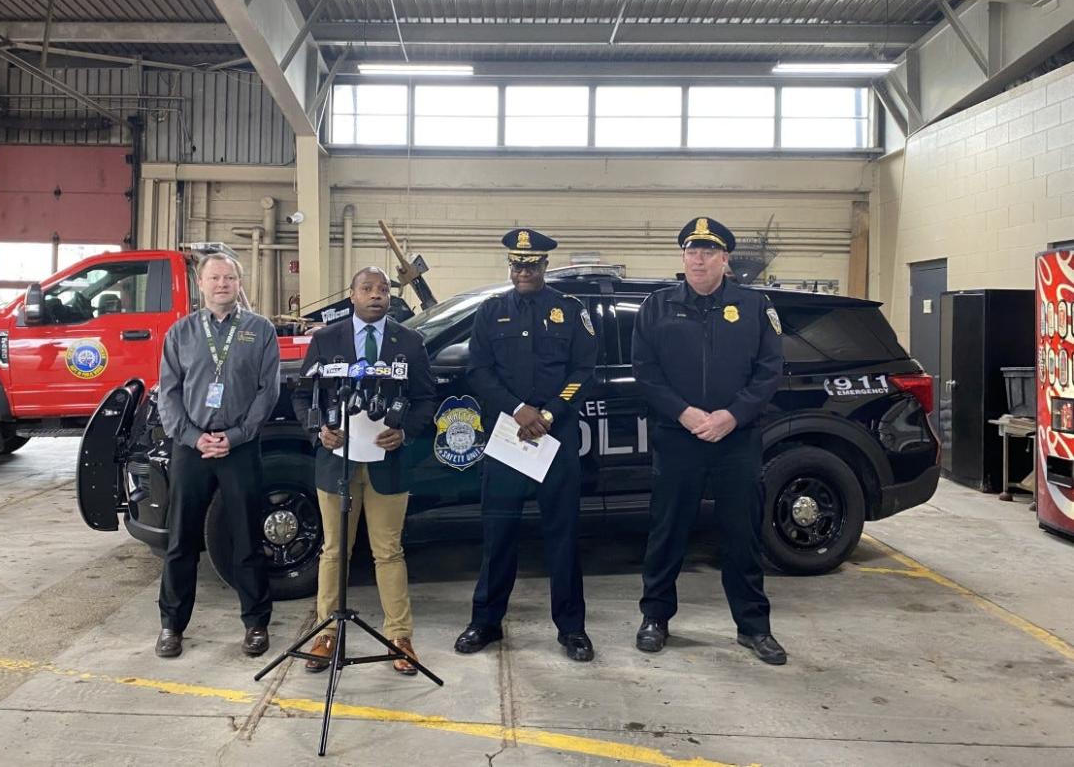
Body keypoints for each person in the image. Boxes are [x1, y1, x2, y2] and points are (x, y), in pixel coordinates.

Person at [631, 217, 787, 665]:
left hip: (736, 439)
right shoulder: (656, 307)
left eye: (707, 252)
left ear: (724, 259)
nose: (698, 258)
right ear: (682, 257)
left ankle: (754, 627)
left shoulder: (755, 307)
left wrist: (732, 415)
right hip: (677, 437)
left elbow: (769, 369)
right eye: (691, 251)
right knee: (667, 533)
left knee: (742, 535)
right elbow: (645, 371)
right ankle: (655, 618)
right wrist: (684, 412)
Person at [453, 229, 598, 662]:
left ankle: (571, 628)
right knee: (498, 534)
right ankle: (485, 622)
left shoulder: (571, 311)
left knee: (564, 535)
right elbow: (477, 371)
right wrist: (518, 410)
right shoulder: (491, 311)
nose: (523, 272)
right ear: (509, 267)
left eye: (531, 265)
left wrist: (549, 413)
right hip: (507, 438)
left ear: (545, 267)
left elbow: (583, 371)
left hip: (556, 438)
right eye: (517, 265)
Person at [292, 266, 437, 675]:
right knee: (334, 550)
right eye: (367, 288)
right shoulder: (325, 339)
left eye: (382, 289)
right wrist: (317, 429)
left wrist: (405, 430)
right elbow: (304, 395)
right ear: (352, 295)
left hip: (387, 464)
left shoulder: (409, 341)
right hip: (336, 462)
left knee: (388, 551)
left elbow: (427, 397)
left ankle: (400, 637)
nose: (376, 294)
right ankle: (326, 633)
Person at [155, 252, 280, 660]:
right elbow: (168, 393)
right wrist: (193, 437)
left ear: (239, 282)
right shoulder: (181, 333)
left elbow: (268, 390)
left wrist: (238, 434)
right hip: (192, 448)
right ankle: (172, 625)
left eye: (229, 277)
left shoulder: (260, 331)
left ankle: (256, 624)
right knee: (181, 540)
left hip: (240, 448)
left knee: (246, 537)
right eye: (214, 277)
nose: (222, 284)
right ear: (201, 283)